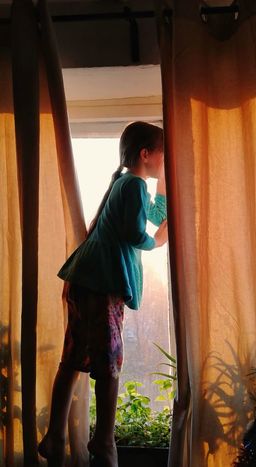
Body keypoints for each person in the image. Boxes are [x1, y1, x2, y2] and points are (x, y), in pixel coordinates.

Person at [38, 121, 168, 467]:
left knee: (73, 356)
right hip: (101, 284)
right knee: (109, 364)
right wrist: (155, 242)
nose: (166, 160)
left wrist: (165, 192)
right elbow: (133, 231)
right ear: (146, 154)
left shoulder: (123, 182)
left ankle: (55, 436)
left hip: (84, 279)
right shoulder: (135, 184)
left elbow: (148, 214)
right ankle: (105, 441)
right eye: (163, 153)